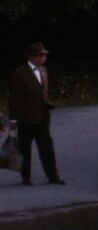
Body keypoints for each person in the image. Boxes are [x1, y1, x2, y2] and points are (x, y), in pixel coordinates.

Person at [8, 42, 65, 186]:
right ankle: (26, 178)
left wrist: (48, 104)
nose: (44, 57)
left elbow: (42, 93)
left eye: (44, 55)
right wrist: (13, 119)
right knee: (25, 149)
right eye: (41, 55)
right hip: (26, 117)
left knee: (47, 147)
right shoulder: (19, 73)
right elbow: (14, 97)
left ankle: (53, 176)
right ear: (33, 57)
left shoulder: (44, 71)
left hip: (43, 116)